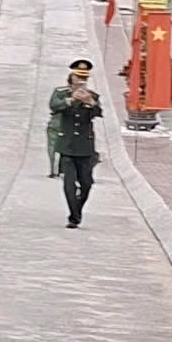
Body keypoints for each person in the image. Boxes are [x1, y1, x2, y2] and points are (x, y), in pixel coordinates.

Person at [49, 60, 106, 227]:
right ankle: (74, 218)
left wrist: (90, 102)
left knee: (86, 184)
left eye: (84, 78)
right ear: (71, 77)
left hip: (85, 147)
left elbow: (98, 112)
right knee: (69, 184)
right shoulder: (61, 93)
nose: (81, 81)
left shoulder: (92, 95)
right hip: (67, 146)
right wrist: (71, 100)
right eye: (78, 77)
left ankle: (77, 210)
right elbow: (54, 106)